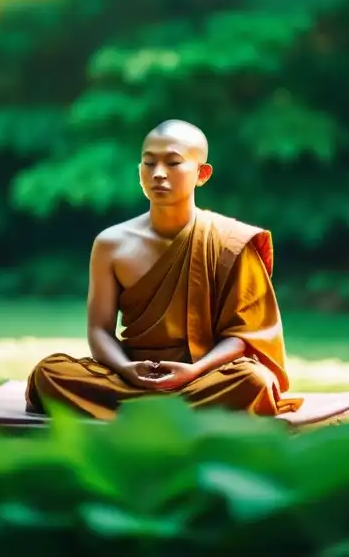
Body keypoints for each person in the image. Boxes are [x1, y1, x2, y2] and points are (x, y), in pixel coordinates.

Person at [25, 119, 304, 421]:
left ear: (202, 174)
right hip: (130, 375)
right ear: (139, 172)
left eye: (173, 163)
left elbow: (245, 335)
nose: (158, 174)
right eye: (149, 163)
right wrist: (126, 369)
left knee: (254, 382)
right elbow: (99, 330)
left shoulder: (230, 241)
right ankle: (167, 412)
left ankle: (137, 412)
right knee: (48, 374)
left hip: (203, 375)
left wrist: (195, 370)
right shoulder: (111, 244)